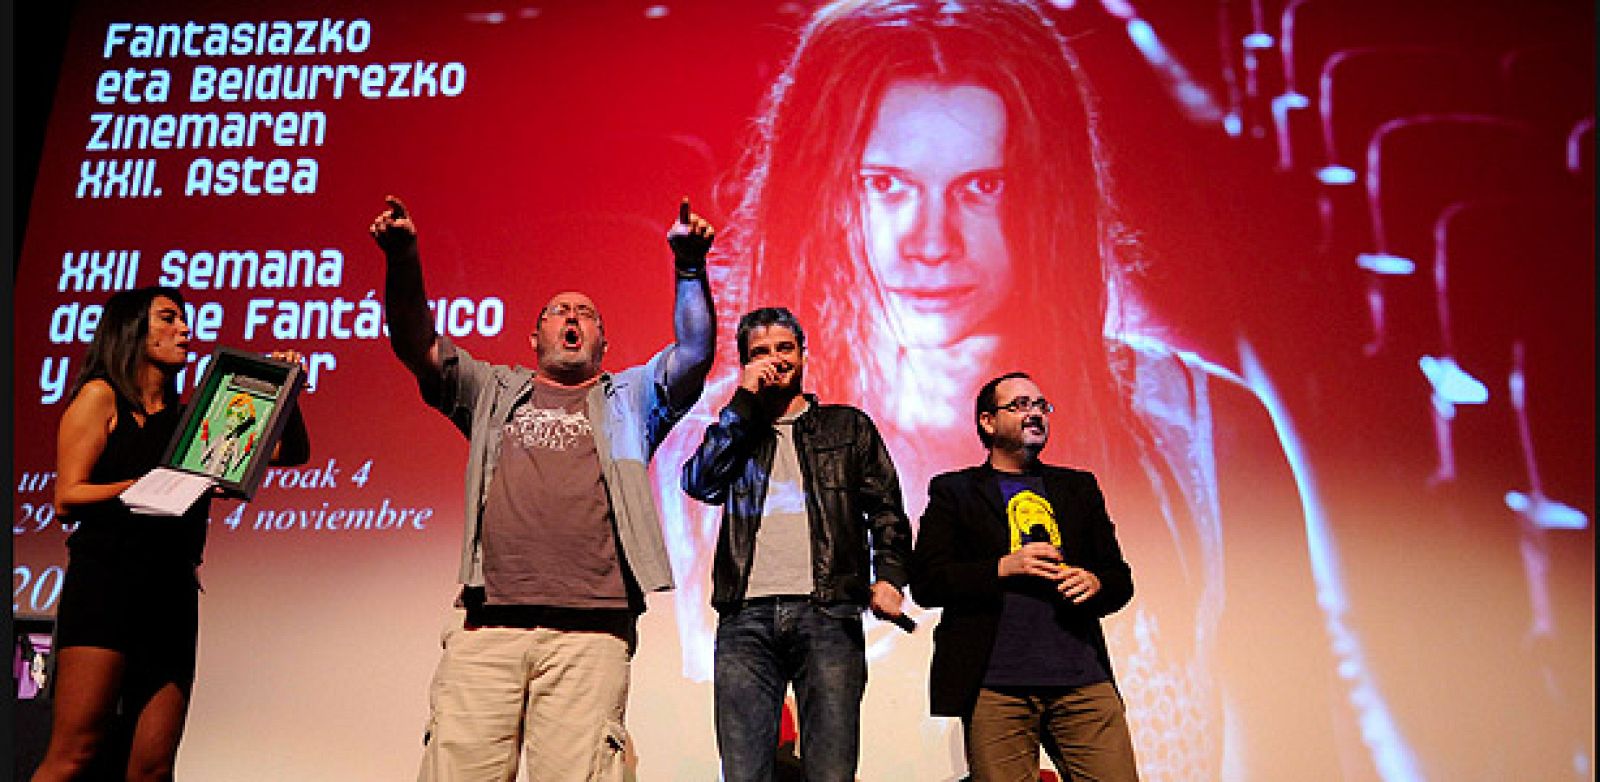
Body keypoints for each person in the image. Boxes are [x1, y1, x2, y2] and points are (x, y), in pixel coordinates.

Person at [652, 0, 1346, 777]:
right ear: (833, 195)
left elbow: (1287, 722)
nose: (931, 242)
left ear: (1043, 193)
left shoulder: (1199, 420)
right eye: (887, 183)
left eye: (980, 185)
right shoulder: (713, 442)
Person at [368, 195, 716, 781]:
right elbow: (417, 346)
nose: (573, 318)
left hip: (591, 631)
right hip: (488, 626)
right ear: (535, 337)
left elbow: (694, 353)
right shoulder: (491, 391)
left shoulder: (629, 401)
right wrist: (403, 256)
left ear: (602, 342)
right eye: (559, 311)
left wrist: (688, 267)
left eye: (586, 313)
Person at [33, 286, 309, 782]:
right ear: (132, 331)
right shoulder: (100, 396)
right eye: (169, 318)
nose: (185, 329)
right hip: (106, 585)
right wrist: (151, 485)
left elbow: (288, 454)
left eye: (184, 320)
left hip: (171, 593)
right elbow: (67, 496)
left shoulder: (192, 424)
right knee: (75, 753)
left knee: (153, 768)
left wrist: (290, 389)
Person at [680, 306, 913, 781]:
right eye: (759, 352)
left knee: (831, 772)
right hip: (745, 617)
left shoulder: (847, 427)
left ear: (804, 355)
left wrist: (889, 576)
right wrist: (742, 404)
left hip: (827, 612)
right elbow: (701, 482)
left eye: (784, 348)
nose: (775, 360)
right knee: (745, 773)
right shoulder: (738, 430)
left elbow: (887, 511)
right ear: (745, 363)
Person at [911, 371, 1139, 781]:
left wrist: (1097, 582)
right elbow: (928, 581)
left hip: (1081, 678)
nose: (1034, 414)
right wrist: (1002, 567)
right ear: (987, 421)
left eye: (1040, 405)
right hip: (996, 685)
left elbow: (1119, 577)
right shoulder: (955, 491)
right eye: (1018, 405)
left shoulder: (1078, 487)